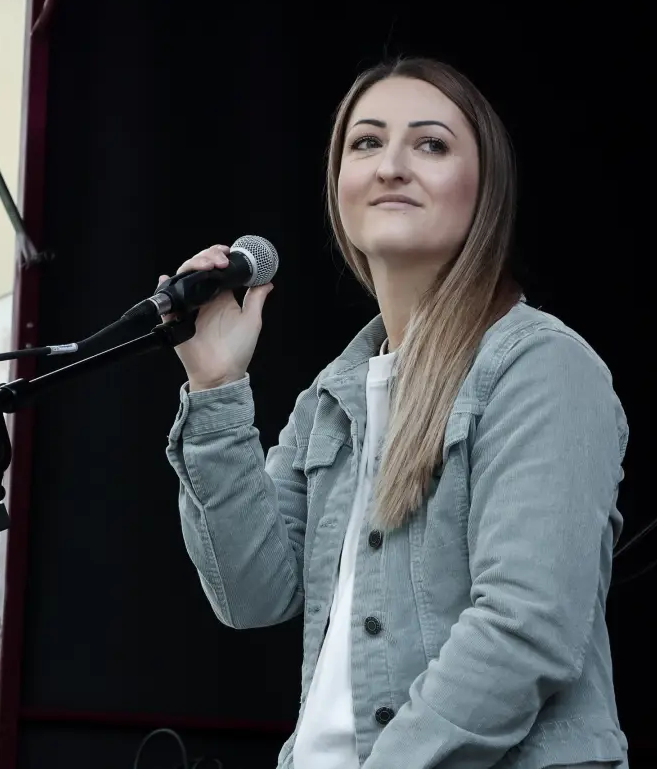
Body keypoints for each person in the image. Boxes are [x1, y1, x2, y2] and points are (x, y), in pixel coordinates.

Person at [162, 57, 629, 769]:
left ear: (486, 190)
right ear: (338, 185)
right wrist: (216, 383)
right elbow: (250, 593)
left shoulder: (541, 366)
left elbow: (524, 626)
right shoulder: (334, 395)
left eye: (431, 144)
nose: (390, 166)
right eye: (367, 142)